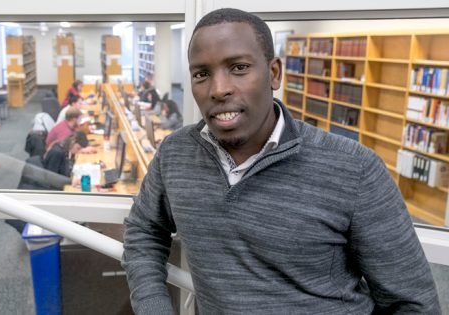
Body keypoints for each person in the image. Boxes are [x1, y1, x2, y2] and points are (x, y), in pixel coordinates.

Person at [122, 8, 440, 314]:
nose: (218, 89)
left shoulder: (354, 170)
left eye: (239, 67)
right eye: (202, 74)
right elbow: (144, 230)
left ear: (274, 73)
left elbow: (413, 303)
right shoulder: (175, 154)